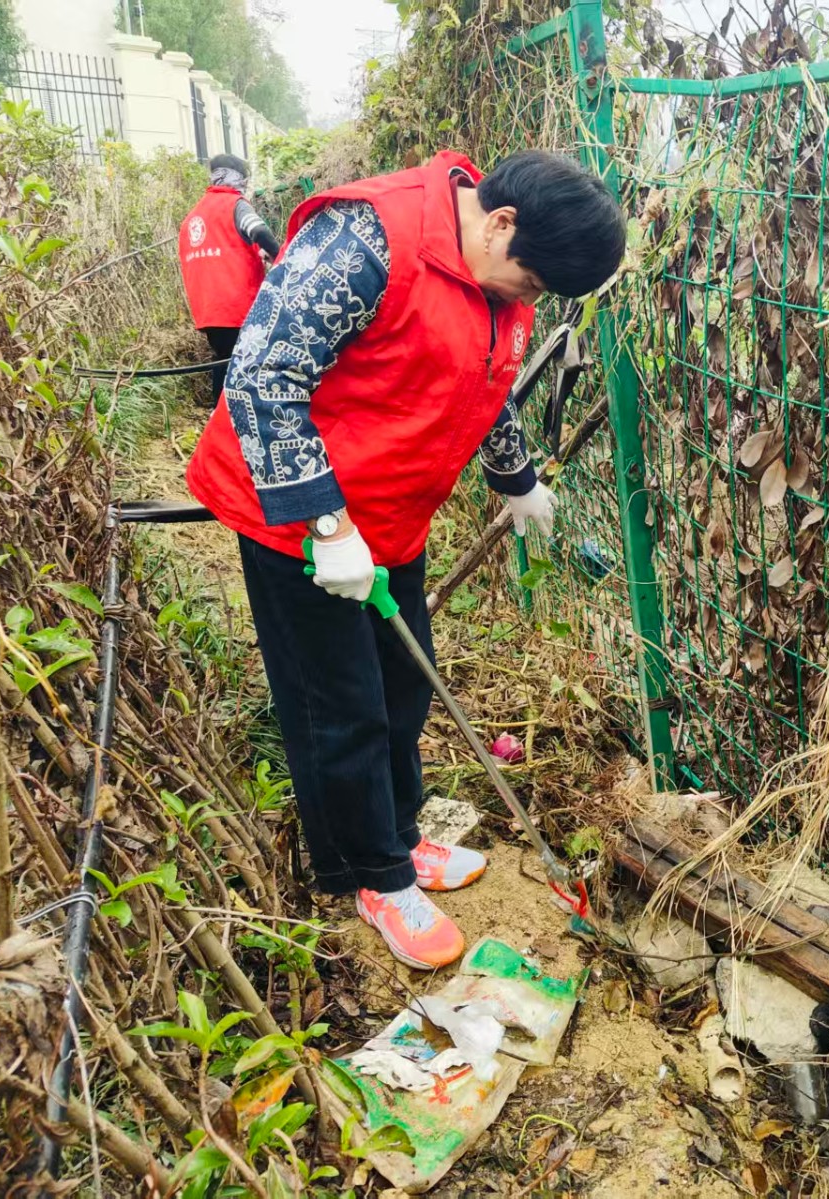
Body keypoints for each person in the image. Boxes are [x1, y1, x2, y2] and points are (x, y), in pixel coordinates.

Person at [185, 150, 625, 969]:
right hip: (294, 515)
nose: (528, 301)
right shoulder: (364, 240)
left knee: (399, 688)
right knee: (338, 705)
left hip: (391, 516)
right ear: (501, 226)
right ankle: (372, 874)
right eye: (530, 284)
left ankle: (399, 834)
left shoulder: (496, 271)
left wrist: (515, 479)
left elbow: (486, 377)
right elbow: (260, 376)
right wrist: (322, 521)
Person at [178, 153, 281, 401]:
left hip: (207, 309)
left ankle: (218, 416)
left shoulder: (192, 217)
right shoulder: (235, 204)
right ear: (238, 179)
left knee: (224, 361)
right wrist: (282, 260)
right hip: (237, 304)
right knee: (245, 364)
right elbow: (258, 230)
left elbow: (225, 247)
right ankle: (233, 420)